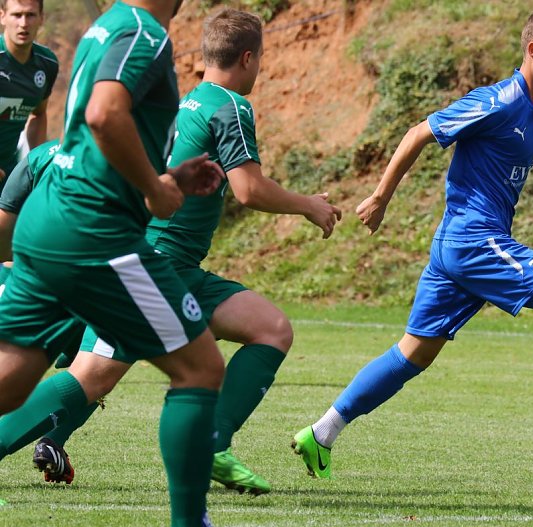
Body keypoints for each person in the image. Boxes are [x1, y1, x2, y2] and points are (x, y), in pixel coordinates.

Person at [292, 6, 533, 481]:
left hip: (459, 247)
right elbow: (420, 133)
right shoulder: (497, 101)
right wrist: (379, 198)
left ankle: (321, 432)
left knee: (413, 353)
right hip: (475, 240)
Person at [0, 7, 341, 498]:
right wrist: (308, 204)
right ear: (248, 58)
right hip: (149, 261)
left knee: (271, 328)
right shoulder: (230, 105)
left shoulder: (186, 103)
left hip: (177, 265)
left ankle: (212, 446)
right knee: (92, 375)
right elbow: (248, 189)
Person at [0, 0, 57, 190]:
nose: (23, 23)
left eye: (30, 15)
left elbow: (38, 114)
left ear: (41, 18)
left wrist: (38, 164)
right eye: (17, 15)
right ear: (2, 16)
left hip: (9, 174)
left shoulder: (47, 64)